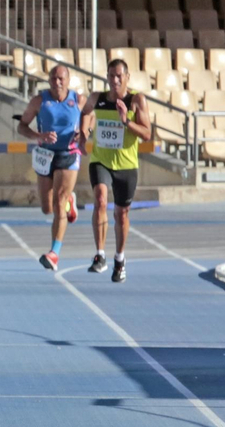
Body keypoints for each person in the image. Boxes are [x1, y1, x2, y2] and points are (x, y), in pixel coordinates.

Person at [80, 58, 151, 283]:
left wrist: (125, 121)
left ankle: (119, 259)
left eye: (119, 76)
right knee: (100, 199)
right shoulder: (97, 98)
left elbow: (147, 134)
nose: (115, 80)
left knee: (121, 214)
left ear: (127, 78)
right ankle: (100, 255)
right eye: (111, 75)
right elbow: (85, 113)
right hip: (101, 160)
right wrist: (83, 133)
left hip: (127, 165)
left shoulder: (136, 100)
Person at [17, 64, 84, 271]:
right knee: (47, 207)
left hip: (69, 153)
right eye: (54, 78)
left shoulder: (78, 100)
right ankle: (69, 201)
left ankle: (54, 253)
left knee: (58, 201)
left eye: (61, 78)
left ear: (68, 80)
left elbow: (90, 118)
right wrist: (39, 136)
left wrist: (84, 132)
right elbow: (21, 126)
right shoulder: (39, 101)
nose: (57, 82)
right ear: (49, 80)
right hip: (46, 154)